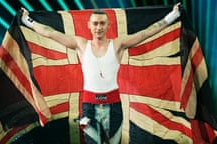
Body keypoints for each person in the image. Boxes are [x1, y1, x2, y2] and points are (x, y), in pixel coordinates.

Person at [21, 3, 180, 144]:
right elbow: (50, 33)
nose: (99, 27)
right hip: (88, 108)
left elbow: (146, 33)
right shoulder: (81, 44)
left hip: (114, 106)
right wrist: (27, 20)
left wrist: (173, 15)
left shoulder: (118, 44)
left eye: (102, 23)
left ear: (108, 25)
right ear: (89, 25)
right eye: (95, 24)